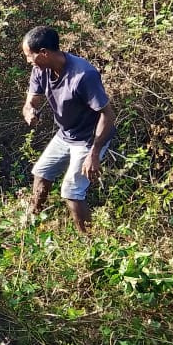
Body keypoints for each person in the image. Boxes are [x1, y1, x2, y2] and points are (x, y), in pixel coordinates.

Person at [21, 25, 116, 233]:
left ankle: (89, 242)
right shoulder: (40, 70)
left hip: (89, 138)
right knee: (41, 173)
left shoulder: (83, 75)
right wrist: (29, 112)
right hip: (66, 134)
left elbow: (107, 115)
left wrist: (94, 153)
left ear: (44, 53)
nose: (28, 60)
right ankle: (29, 228)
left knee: (72, 191)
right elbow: (31, 102)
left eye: (29, 55)